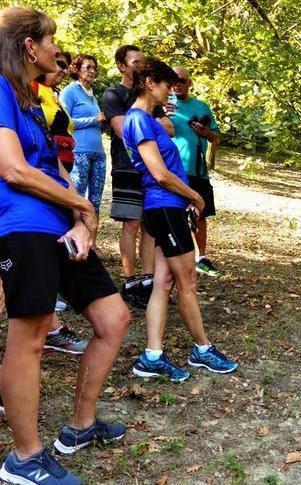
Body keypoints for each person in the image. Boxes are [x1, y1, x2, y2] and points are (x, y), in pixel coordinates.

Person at [0, 7, 131, 485]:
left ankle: (80, 424)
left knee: (114, 318)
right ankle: (25, 456)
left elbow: (53, 169)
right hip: (21, 226)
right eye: (52, 40)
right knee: (30, 335)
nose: (59, 50)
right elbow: (12, 169)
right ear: (30, 46)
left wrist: (82, 216)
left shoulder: (32, 99)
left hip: (61, 226)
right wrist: (84, 205)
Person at [122, 57, 237, 382]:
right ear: (149, 83)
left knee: (164, 282)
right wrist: (194, 195)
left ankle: (152, 356)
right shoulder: (140, 120)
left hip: (165, 208)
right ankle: (202, 350)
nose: (170, 92)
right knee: (187, 281)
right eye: (165, 85)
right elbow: (159, 174)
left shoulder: (147, 120)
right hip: (166, 208)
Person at [102, 45, 173, 309]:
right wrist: (151, 123)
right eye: (135, 62)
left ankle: (148, 279)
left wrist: (150, 123)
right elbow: (123, 131)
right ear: (121, 65)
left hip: (150, 169)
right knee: (131, 224)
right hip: (127, 167)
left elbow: (171, 128)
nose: (140, 66)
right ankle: (129, 280)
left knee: (149, 226)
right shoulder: (113, 94)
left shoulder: (148, 97)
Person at [32, 50, 89, 355]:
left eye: (65, 65)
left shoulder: (52, 98)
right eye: (59, 63)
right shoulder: (24, 93)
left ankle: (51, 327)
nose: (62, 69)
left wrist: (75, 200)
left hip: (57, 177)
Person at [171, 66, 222, 277]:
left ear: (189, 83)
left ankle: (200, 258)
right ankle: (174, 256)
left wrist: (206, 132)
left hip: (197, 170)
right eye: (173, 80)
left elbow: (217, 139)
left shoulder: (201, 106)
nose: (178, 83)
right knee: (173, 213)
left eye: (182, 80)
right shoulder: (162, 104)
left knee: (200, 214)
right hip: (171, 170)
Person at [59, 54, 107, 243]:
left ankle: (92, 243)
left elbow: (97, 123)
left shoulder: (92, 95)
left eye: (94, 68)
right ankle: (73, 239)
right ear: (76, 69)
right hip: (79, 152)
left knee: (95, 199)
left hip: (98, 153)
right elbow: (64, 120)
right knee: (77, 198)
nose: (92, 71)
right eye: (87, 67)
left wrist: (102, 123)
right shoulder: (70, 91)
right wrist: (93, 120)